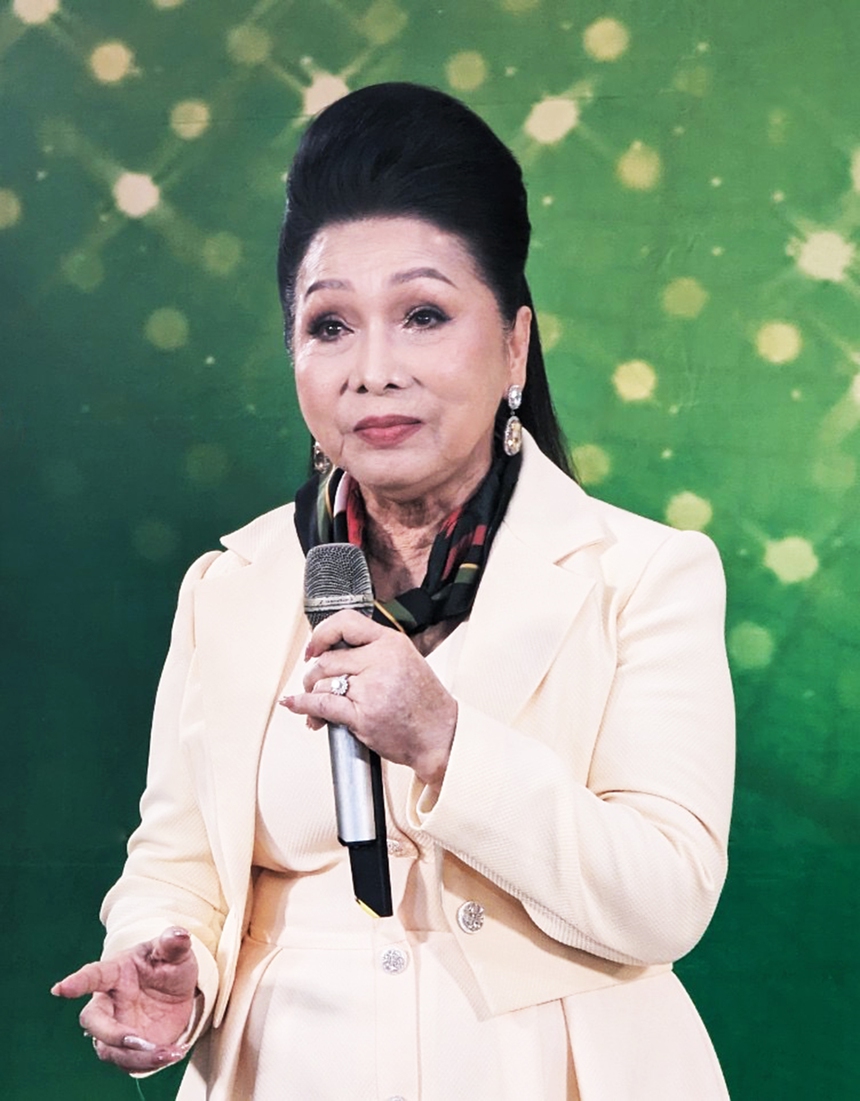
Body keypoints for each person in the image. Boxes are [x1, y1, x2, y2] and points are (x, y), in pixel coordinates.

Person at [52, 82, 735, 1099]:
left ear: (514, 344)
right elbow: (177, 859)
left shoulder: (643, 574)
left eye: (422, 315)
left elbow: (666, 897)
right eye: (330, 325)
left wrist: (446, 740)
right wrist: (168, 970)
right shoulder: (232, 584)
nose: (372, 370)